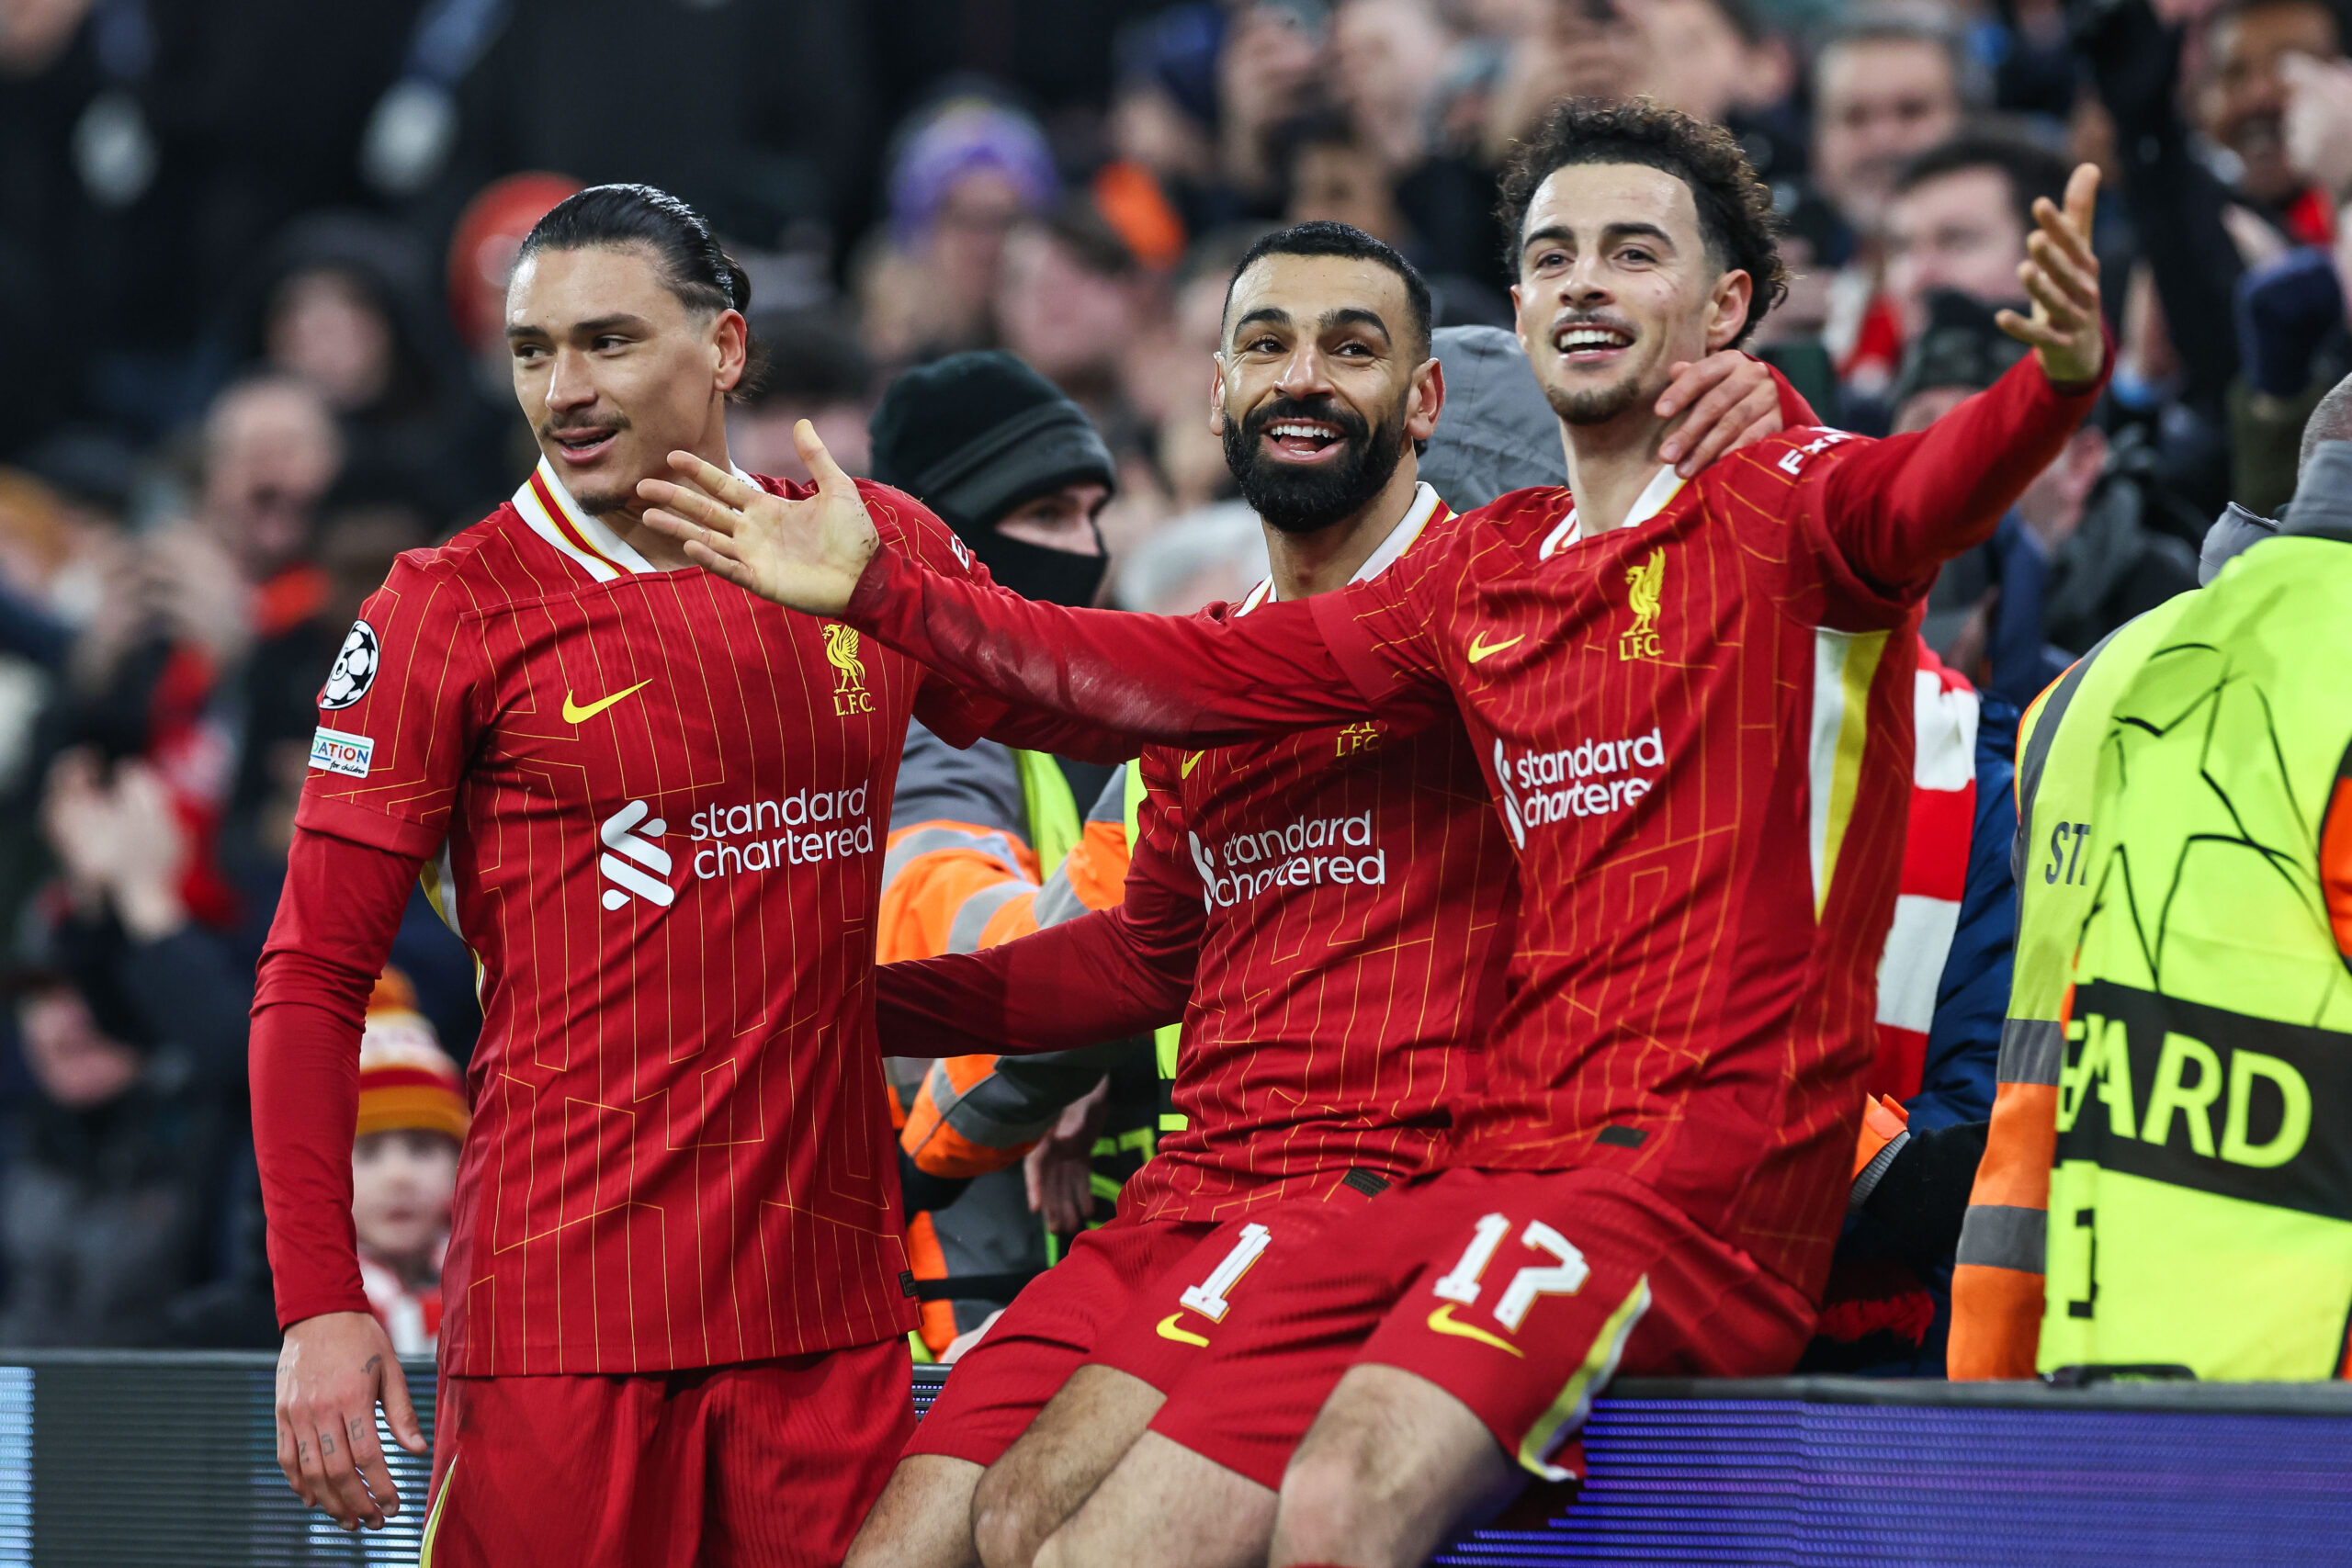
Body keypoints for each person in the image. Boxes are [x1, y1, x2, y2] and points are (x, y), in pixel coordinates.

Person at [641, 99, 2109, 1566]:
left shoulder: (1764, 504)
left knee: (1208, 1517)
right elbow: (1155, 760)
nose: (1585, 280)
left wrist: (2042, 387)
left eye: (1632, 251)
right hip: (1359, 1179)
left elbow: (1919, 492)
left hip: (1536, 1169)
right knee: (942, 1537)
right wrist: (882, 643)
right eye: (1553, 254)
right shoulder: (1471, 588)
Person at [851, 220, 1801, 1568]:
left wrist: (882, 594)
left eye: (1351, 349)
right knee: (922, 1541)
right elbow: (1143, 963)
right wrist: (857, 1001)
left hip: (1374, 1178)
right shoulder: (1214, 650)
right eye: (1266, 345)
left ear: (1423, 401)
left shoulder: (1493, 600)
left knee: (1057, 1540)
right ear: (1221, 392)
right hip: (1186, 1188)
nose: (1304, 377)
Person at [249, 183, 1114, 1562]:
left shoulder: (858, 550)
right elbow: (309, 972)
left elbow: (1095, 709)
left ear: (723, 349)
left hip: (825, 1322)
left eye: (608, 341)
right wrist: (319, 1300)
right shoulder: (444, 609)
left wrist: (1317, 650)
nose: (564, 389)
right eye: (534, 351)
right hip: (563, 1325)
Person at [1948, 376, 2352, 1380]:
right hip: (2315, 1414)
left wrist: (1988, 1399)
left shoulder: (2089, 683)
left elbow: (2037, 1083)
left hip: (2093, 1390)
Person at [863, 351, 1148, 1355]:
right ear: (949, 537)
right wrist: (1088, 1011)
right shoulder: (904, 720)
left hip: (1124, 1255)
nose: (1087, 549)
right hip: (966, 1298)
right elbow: (934, 928)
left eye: (1091, 513)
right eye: (1044, 519)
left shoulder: (1111, 695)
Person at [348, 973, 467, 1356]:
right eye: (367, 1153)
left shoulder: (510, 1292)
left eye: (421, 1148)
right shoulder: (262, 1320)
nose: (397, 1176)